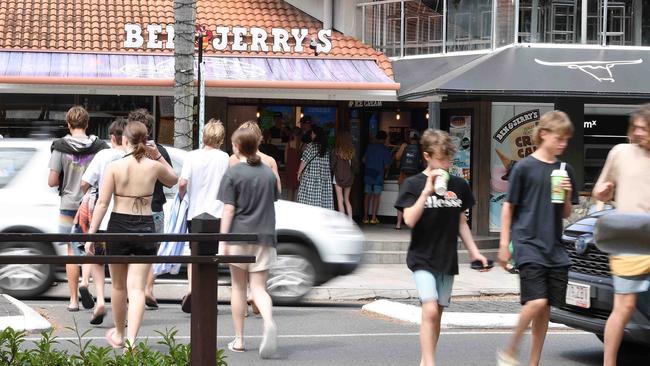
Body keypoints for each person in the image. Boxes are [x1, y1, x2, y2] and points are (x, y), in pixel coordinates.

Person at [395, 128, 490, 366]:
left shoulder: (458, 185)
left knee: (436, 314)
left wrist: (475, 252)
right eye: (440, 159)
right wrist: (426, 191)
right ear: (427, 156)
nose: (445, 164)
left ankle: (426, 360)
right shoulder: (413, 184)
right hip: (422, 257)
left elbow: (461, 221)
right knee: (429, 310)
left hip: (447, 258)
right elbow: (409, 220)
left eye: (448, 159)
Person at [85, 121, 177, 349]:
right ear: (145, 140)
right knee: (136, 288)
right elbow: (174, 179)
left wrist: (91, 234)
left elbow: (103, 203)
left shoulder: (115, 168)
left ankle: (118, 333)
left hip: (118, 226)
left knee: (118, 286)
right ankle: (132, 340)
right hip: (145, 227)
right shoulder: (153, 166)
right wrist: (157, 156)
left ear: (125, 140)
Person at [497, 110, 578, 366]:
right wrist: (503, 245)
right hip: (527, 243)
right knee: (537, 301)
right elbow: (508, 207)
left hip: (554, 246)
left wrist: (566, 194)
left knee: (545, 309)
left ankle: (534, 362)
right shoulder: (523, 167)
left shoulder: (566, 170)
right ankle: (510, 350)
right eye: (559, 137)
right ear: (543, 134)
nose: (563, 143)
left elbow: (566, 212)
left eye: (566, 139)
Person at [593, 104, 650, 366]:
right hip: (628, 241)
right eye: (635, 127)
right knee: (624, 307)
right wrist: (603, 193)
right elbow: (599, 193)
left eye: (645, 128)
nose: (638, 132)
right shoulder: (620, 152)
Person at [218, 126, 279, 359]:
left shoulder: (233, 173)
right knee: (259, 288)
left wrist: (222, 241)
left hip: (238, 236)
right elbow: (275, 197)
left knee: (238, 288)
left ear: (237, 147)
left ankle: (240, 339)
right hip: (265, 236)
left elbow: (229, 209)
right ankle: (268, 321)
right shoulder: (268, 173)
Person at [47, 106, 108, 312]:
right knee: (90, 248)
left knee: (71, 251)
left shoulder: (59, 146)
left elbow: (52, 181)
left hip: (68, 206)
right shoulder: (100, 147)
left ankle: (73, 300)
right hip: (92, 206)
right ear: (87, 123)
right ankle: (87, 284)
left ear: (68, 123)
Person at [78, 118, 128, 325]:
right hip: (124, 219)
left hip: (101, 218)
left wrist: (90, 193)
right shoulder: (131, 156)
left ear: (112, 137)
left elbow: (85, 183)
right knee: (122, 268)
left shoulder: (103, 155)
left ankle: (99, 300)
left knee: (97, 261)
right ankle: (123, 311)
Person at [178, 120, 229, 313]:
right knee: (211, 258)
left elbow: (183, 183)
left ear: (204, 136)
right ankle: (209, 298)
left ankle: (192, 289)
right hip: (216, 214)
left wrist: (183, 197)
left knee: (195, 255)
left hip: (195, 214)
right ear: (221, 139)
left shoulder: (192, 156)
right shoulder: (224, 158)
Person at [128, 108, 172, 309]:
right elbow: (170, 180)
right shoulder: (159, 152)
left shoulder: (125, 152)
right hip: (155, 209)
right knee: (151, 252)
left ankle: (133, 291)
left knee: (131, 254)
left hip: (129, 210)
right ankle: (148, 288)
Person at [228, 121, 281, 194]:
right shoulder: (270, 161)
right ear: (259, 138)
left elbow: (229, 191)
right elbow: (277, 190)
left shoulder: (232, 159)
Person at [297, 126, 334, 210]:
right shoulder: (326, 148)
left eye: (312, 133)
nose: (311, 135)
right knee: (322, 200)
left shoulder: (311, 146)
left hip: (311, 178)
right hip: (324, 179)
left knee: (309, 200)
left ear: (316, 135)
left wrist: (299, 172)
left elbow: (304, 160)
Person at [395, 130, 423, 230]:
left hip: (403, 177)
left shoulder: (404, 146)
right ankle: (414, 223)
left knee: (401, 199)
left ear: (409, 138)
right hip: (416, 177)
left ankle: (398, 224)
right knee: (415, 200)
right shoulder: (420, 148)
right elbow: (423, 163)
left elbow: (397, 157)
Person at [362, 130, 391, 224]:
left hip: (369, 173)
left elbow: (363, 160)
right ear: (385, 139)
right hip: (378, 174)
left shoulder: (369, 147)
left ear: (377, 137)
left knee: (367, 195)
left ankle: (365, 217)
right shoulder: (384, 149)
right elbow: (387, 165)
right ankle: (373, 218)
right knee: (376, 196)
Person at [331, 131, 355, 218]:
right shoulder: (351, 151)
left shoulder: (335, 151)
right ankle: (350, 220)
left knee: (340, 200)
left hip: (338, 177)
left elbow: (332, 165)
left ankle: (343, 221)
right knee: (347, 200)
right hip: (349, 178)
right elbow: (354, 166)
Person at [284, 127, 302, 201]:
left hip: (290, 169)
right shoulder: (302, 145)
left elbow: (285, 159)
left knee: (289, 191)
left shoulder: (288, 144)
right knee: (296, 192)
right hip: (298, 170)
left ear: (293, 134)